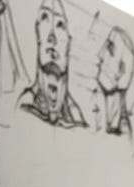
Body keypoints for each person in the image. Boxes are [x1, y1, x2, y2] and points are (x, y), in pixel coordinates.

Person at [17, 0, 87, 128]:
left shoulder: (76, 119)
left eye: (60, 25)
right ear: (37, 34)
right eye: (44, 17)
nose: (52, 37)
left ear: (69, 42)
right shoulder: (23, 107)